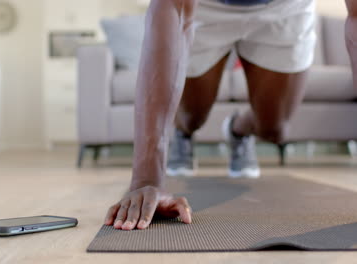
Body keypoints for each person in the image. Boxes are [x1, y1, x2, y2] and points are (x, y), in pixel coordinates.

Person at [104, 0, 357, 231]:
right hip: (204, 6)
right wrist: (147, 179)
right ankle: (184, 132)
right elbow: (169, 6)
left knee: (275, 128)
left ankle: (237, 130)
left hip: (284, 7)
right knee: (192, 116)